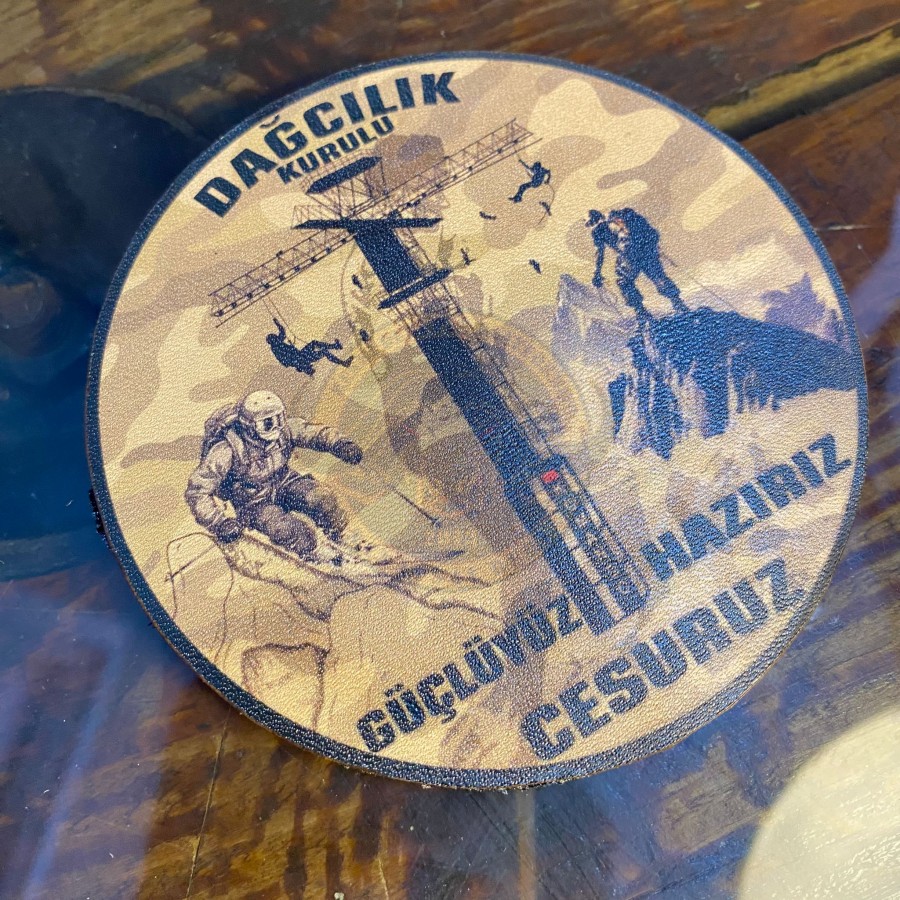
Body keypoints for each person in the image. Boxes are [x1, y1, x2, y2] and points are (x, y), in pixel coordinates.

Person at [185, 390, 363, 558]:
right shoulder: (228, 449)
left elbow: (313, 432)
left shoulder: (283, 431)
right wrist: (219, 523)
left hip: (284, 481)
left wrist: (339, 444)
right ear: (249, 426)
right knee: (285, 528)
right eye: (268, 423)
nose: (276, 427)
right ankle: (315, 552)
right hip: (253, 502)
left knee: (321, 497)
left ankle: (342, 535)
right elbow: (197, 491)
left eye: (279, 418)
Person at [586, 209, 689, 320]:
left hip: (629, 254)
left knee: (624, 281)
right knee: (658, 276)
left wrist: (597, 273)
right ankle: (678, 303)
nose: (589, 227)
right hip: (647, 251)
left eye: (589, 224)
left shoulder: (597, 230)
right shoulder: (620, 216)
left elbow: (599, 254)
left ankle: (641, 312)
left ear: (592, 221)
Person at [266, 319, 353, 376]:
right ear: (273, 340)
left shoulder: (277, 344)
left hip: (301, 355)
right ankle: (343, 362)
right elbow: (285, 362)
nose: (277, 337)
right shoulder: (276, 348)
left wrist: (277, 323)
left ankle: (335, 346)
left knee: (314, 343)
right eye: (275, 337)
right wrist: (302, 365)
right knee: (324, 352)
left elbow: (282, 333)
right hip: (302, 359)